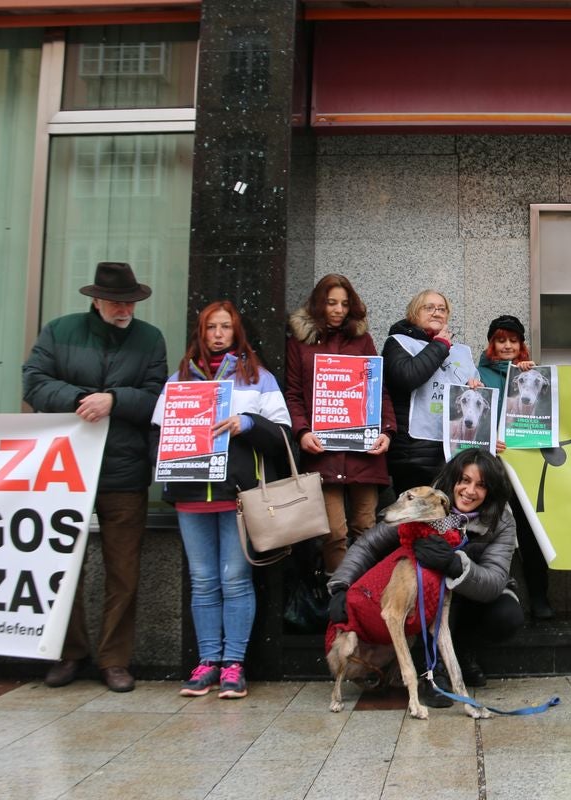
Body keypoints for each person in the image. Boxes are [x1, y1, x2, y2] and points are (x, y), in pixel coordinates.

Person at [22, 261, 167, 692]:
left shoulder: (150, 339)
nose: (125, 309)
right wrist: (82, 398)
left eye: (131, 302)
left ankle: (114, 659)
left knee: (123, 571)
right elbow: (34, 383)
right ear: (96, 300)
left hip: (123, 470)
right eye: (117, 302)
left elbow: (159, 399)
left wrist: (115, 400)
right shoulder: (59, 331)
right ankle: (69, 652)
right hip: (65, 468)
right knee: (62, 565)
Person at [151, 301, 292, 700]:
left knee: (234, 579)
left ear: (236, 332)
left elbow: (283, 431)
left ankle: (234, 665)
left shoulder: (258, 378)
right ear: (201, 332)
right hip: (191, 494)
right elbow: (160, 435)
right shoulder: (177, 380)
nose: (217, 334)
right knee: (203, 581)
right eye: (210, 327)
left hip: (237, 496)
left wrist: (246, 423)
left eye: (225, 327)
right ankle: (207, 662)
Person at [328, 448, 521, 706]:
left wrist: (454, 564)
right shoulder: (425, 503)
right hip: (425, 596)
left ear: (492, 491)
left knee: (507, 615)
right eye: (464, 480)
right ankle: (434, 672)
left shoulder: (502, 519)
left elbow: (495, 580)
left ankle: (465, 653)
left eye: (481, 485)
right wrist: (341, 586)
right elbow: (368, 545)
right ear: (453, 480)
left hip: (475, 595)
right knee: (433, 593)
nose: (470, 491)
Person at [285, 275, 397, 574]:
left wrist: (387, 431)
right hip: (322, 451)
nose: (338, 310)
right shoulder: (300, 343)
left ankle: (364, 602)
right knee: (333, 533)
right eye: (331, 302)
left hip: (364, 452)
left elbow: (378, 390)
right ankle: (339, 604)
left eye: (345, 304)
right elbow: (293, 394)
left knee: (366, 528)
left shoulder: (362, 341)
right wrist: (301, 432)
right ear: (318, 303)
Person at [477, 314, 554, 620]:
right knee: (487, 531)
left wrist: (532, 375)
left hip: (525, 465)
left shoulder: (533, 373)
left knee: (530, 532)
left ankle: (539, 597)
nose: (507, 346)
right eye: (500, 339)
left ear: (521, 344)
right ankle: (488, 598)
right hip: (490, 466)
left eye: (513, 340)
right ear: (491, 343)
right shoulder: (476, 373)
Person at [383, 290, 481, 494]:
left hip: (452, 453)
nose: (436, 313)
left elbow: (474, 395)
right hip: (414, 454)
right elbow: (407, 377)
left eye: (442, 309)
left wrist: (475, 388)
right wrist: (440, 345)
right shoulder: (398, 343)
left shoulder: (461, 351)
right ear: (413, 313)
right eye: (429, 308)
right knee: (416, 522)